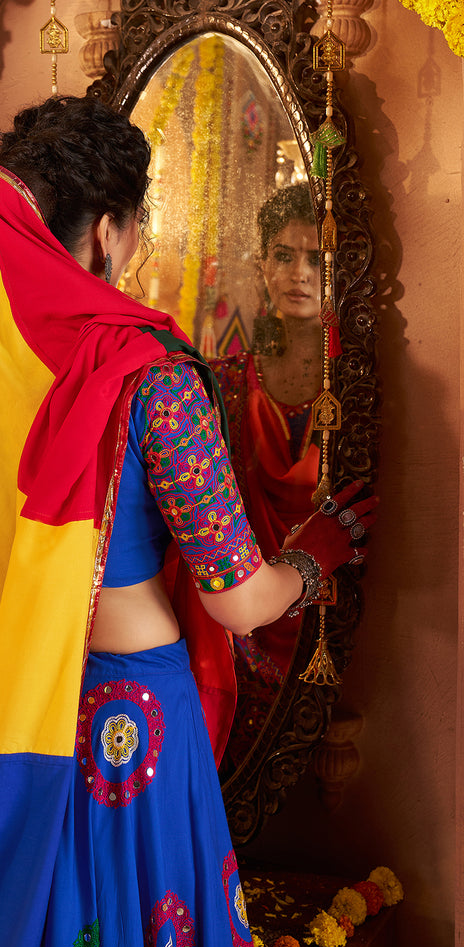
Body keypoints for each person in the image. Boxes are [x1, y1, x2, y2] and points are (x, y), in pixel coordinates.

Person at [0, 97, 374, 947]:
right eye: (137, 226)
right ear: (108, 231)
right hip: (127, 722)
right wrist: (316, 554)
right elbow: (240, 602)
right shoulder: (155, 381)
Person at [211, 185, 323, 694]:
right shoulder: (222, 383)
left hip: (333, 620)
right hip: (236, 623)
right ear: (262, 267)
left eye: (316, 259)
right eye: (284, 256)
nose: (300, 273)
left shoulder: (359, 391)